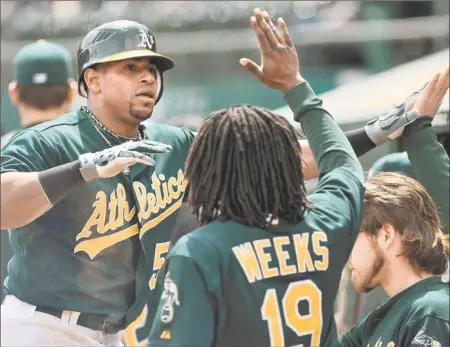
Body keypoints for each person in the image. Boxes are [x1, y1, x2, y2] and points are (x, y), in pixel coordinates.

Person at [147, 9, 366, 347]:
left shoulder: (200, 250)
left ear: (207, 174)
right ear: (286, 167)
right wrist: (295, 85)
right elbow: (343, 165)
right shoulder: (327, 221)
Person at [0, 20, 186, 347]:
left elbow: (288, 160)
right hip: (44, 327)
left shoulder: (171, 143)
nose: (147, 77)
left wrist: (295, 89)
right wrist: (86, 167)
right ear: (92, 80)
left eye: (153, 69)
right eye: (130, 67)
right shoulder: (45, 142)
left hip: (118, 331)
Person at [339, 68, 449, 347]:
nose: (344, 250)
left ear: (386, 235)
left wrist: (417, 129)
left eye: (353, 234)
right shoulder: (378, 320)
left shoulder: (430, 312)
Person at [0, 40, 76, 301]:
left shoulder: (5, 149)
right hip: (84, 315)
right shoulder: (93, 153)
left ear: (14, 93)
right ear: (71, 92)